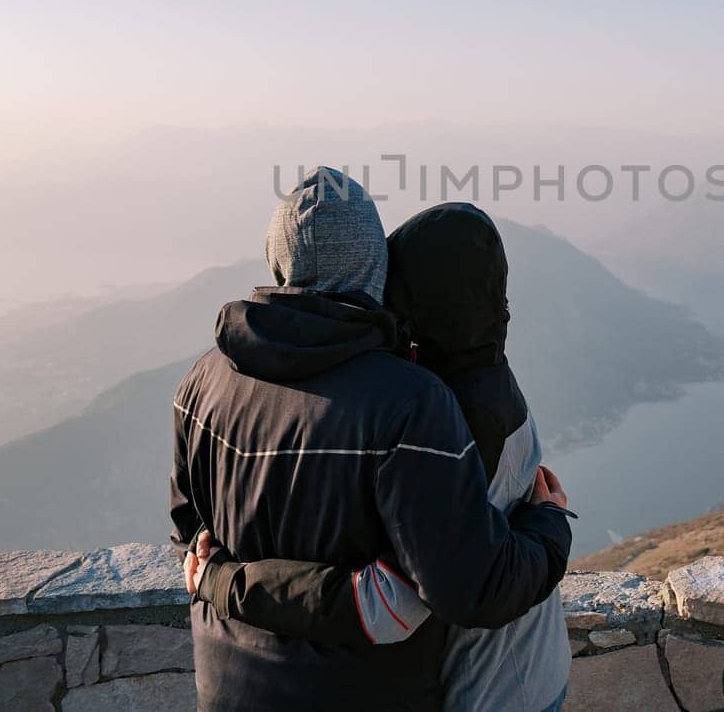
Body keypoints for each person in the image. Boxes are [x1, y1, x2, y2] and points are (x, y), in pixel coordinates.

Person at [171, 170, 573, 711]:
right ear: (377, 271)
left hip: (227, 687)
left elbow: (190, 537)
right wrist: (549, 526)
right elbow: (402, 602)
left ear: (274, 254)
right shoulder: (410, 403)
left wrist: (223, 580)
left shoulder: (200, 382)